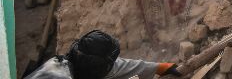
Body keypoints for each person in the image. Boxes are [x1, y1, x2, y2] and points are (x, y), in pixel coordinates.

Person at [24, 29, 178, 79]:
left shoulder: (76, 62)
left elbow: (120, 66)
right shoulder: (60, 75)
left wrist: (163, 67)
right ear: (97, 67)